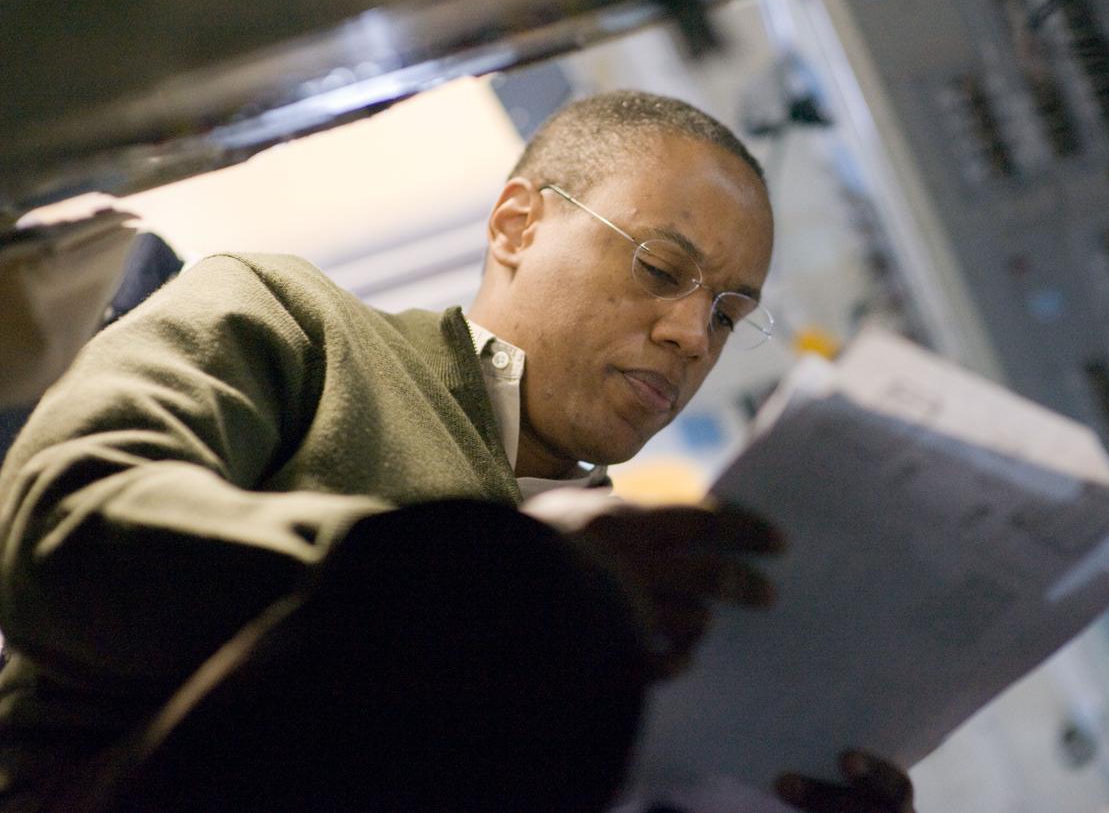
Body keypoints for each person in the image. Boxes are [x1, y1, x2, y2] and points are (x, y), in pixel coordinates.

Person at [0, 90, 912, 811]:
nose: (691, 336)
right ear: (517, 224)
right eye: (662, 269)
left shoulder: (655, 592)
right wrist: (507, 578)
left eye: (728, 315)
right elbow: (58, 534)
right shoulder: (290, 320)